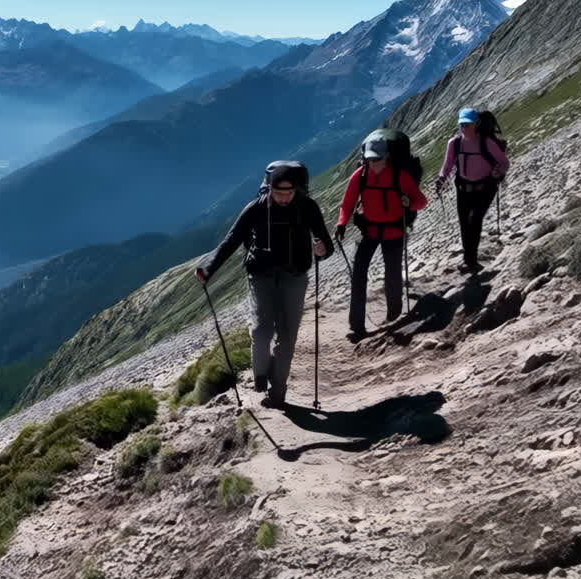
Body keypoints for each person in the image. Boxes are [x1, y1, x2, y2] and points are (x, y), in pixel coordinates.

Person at [195, 164, 333, 409]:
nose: (284, 198)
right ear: (269, 188)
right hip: (261, 275)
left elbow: (325, 243)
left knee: (287, 337)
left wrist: (322, 250)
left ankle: (277, 393)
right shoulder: (256, 209)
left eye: (289, 193)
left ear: (296, 189)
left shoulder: (307, 206)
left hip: (294, 275)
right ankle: (261, 373)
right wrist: (209, 269)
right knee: (261, 332)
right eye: (279, 193)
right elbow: (231, 240)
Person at [336, 132, 428, 342]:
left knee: (392, 274)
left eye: (376, 159)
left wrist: (409, 204)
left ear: (386, 157)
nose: (372, 163)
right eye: (369, 160)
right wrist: (341, 223)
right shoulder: (360, 176)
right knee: (359, 274)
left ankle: (393, 315)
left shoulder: (399, 176)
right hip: (370, 231)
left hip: (394, 232)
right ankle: (357, 325)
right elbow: (347, 203)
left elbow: (421, 201)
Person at [435, 108, 510, 273]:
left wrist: (499, 172)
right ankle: (469, 259)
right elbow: (447, 164)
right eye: (462, 125)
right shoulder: (454, 143)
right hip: (463, 189)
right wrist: (442, 178)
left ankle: (471, 260)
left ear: (476, 124)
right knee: (465, 224)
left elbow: (504, 162)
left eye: (467, 125)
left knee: (474, 222)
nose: (464, 128)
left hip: (485, 189)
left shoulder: (487, 142)